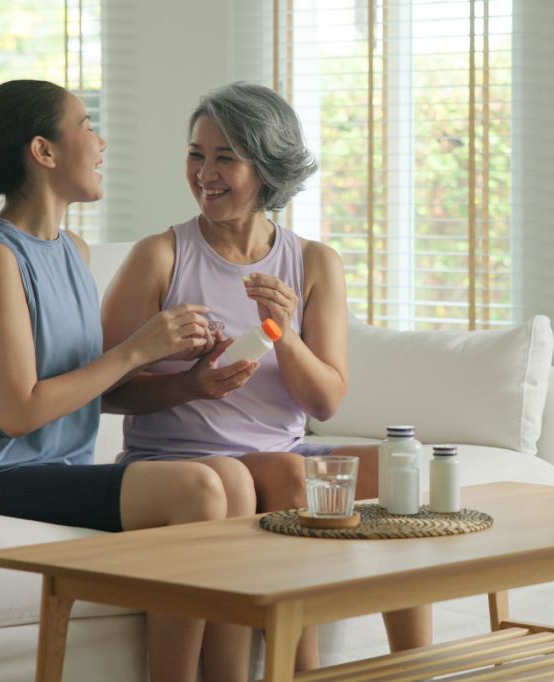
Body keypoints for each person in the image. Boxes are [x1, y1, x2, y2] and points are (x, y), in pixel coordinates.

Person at [0, 79, 257, 682]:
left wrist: (189, 384)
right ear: (44, 152)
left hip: (57, 469)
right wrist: (138, 347)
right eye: (87, 124)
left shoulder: (75, 251)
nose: (102, 141)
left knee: (232, 477)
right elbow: (18, 413)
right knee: (197, 490)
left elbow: (90, 388)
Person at [101, 81, 432, 671]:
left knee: (402, 464)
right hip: (182, 462)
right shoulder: (161, 256)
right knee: (287, 470)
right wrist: (190, 384)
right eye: (196, 154)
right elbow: (108, 390)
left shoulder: (312, 263)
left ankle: (416, 665)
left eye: (225, 157)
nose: (205, 173)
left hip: (280, 447)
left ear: (268, 167)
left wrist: (286, 331)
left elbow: (326, 400)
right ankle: (299, 669)